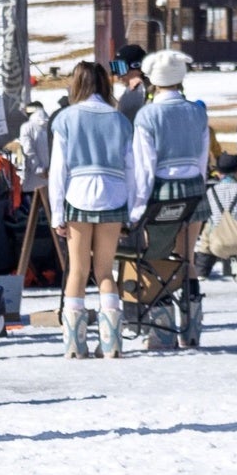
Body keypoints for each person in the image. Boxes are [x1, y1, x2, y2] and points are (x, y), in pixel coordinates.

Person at [122, 49, 215, 348]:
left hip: (161, 193)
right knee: (187, 259)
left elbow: (144, 167)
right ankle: (191, 330)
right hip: (194, 193)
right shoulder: (197, 111)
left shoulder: (147, 115)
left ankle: (161, 330)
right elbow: (202, 159)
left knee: (156, 257)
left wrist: (136, 209)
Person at [47, 62, 138, 358]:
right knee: (104, 270)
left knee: (77, 269)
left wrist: (57, 214)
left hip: (78, 195)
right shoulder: (120, 120)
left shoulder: (65, 118)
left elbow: (58, 170)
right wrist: (131, 208)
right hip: (113, 194)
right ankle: (111, 344)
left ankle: (75, 344)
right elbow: (131, 167)